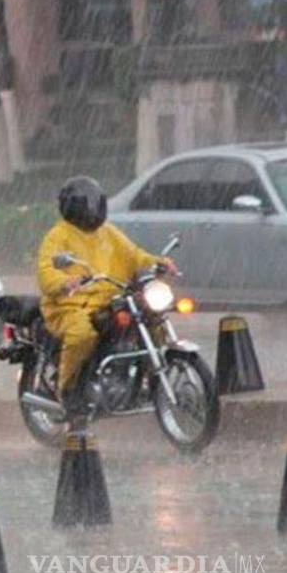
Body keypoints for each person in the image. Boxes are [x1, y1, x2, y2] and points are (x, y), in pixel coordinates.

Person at [37, 176, 175, 415]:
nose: (91, 211)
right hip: (70, 305)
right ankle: (68, 389)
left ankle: (146, 377)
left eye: (95, 204)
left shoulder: (108, 233)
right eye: (86, 205)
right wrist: (64, 282)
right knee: (82, 335)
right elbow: (46, 270)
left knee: (152, 317)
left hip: (109, 300)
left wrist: (158, 262)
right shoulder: (58, 236)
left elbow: (134, 255)